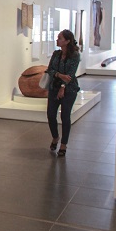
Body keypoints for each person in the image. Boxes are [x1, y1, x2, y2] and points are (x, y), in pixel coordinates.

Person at [46, 29, 81, 157]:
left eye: (60, 38)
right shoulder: (56, 54)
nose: (57, 40)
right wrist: (60, 75)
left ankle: (64, 144)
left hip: (69, 90)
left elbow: (70, 74)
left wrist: (63, 87)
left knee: (65, 116)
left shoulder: (75, 55)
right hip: (54, 88)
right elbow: (49, 70)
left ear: (67, 41)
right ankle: (55, 137)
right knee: (50, 115)